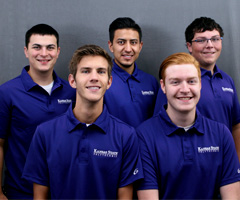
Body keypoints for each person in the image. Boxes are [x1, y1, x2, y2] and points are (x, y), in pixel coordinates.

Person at [22, 44, 143, 199]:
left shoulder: (126, 135)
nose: (94, 77)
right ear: (72, 81)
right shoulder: (45, 133)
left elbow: (124, 197)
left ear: (109, 81)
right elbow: (40, 196)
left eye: (101, 71)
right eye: (86, 71)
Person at [137, 52, 240, 199]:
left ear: (200, 84)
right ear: (163, 86)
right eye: (175, 82)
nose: (185, 89)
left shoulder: (221, 134)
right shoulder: (144, 136)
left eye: (191, 81)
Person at [0, 24, 76, 199]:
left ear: (58, 51)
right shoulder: (7, 92)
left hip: (64, 191)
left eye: (50, 47)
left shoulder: (72, 91)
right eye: (37, 47)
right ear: (26, 51)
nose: (44, 53)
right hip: (21, 192)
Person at [154, 17, 240, 161]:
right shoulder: (176, 83)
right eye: (201, 40)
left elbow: (236, 125)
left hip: (224, 161)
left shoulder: (227, 80)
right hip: (191, 161)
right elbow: (160, 125)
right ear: (189, 46)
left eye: (215, 39)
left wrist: (236, 161)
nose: (210, 45)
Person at [104, 17, 159, 128]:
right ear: (111, 46)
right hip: (114, 145)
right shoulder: (101, 80)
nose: (128, 49)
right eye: (121, 42)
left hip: (146, 144)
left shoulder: (151, 82)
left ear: (140, 46)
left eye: (133, 42)